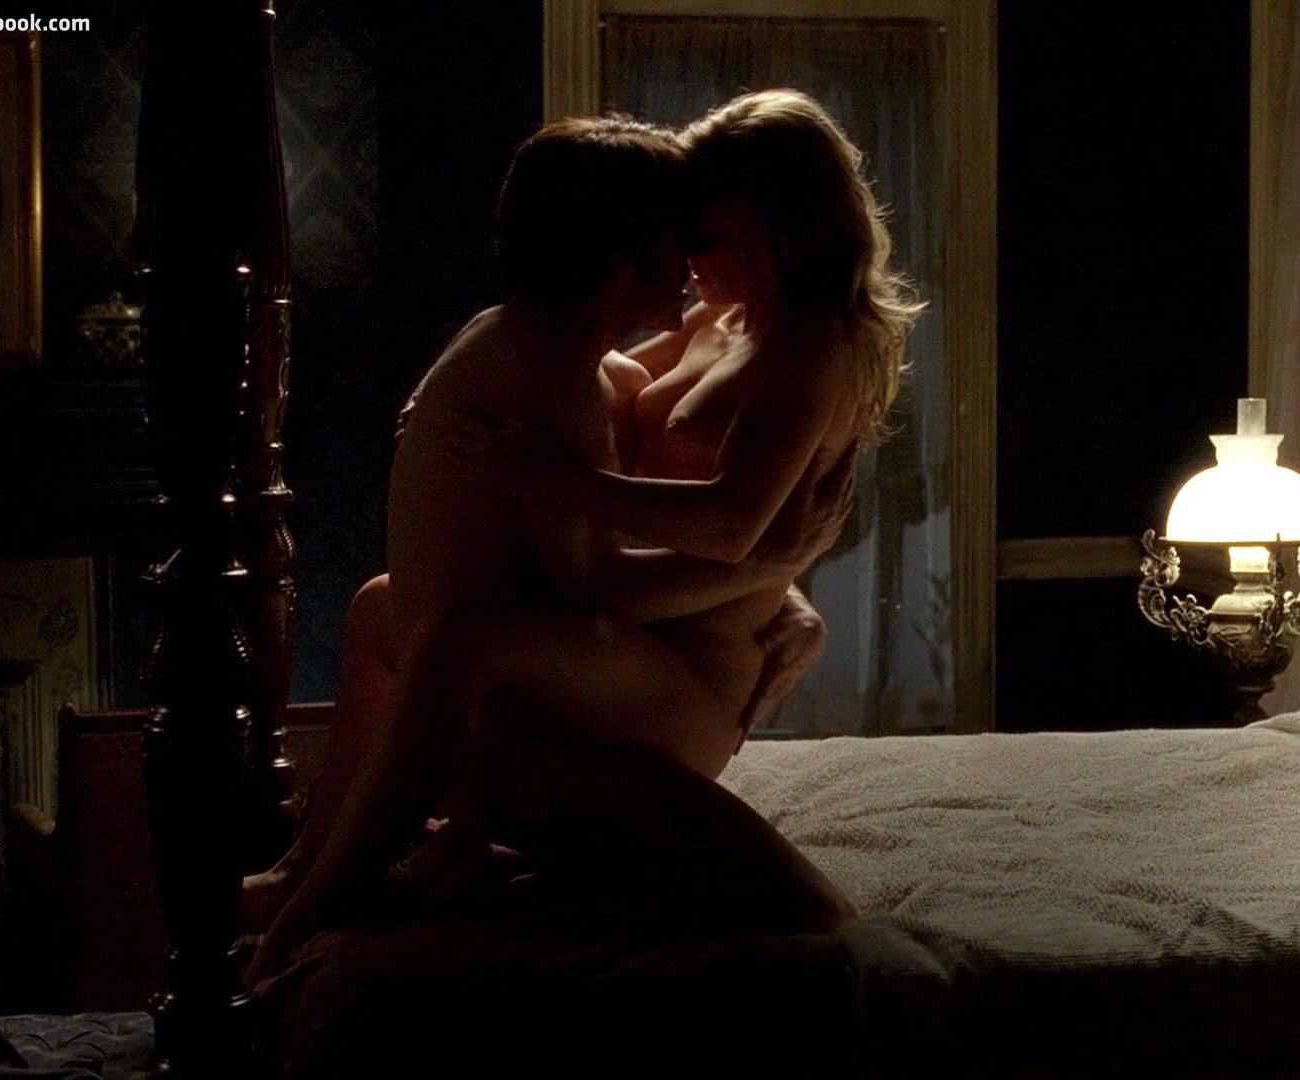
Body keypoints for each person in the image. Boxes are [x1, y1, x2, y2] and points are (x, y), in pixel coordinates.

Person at [244, 114, 856, 983]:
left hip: (681, 683)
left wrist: (774, 577)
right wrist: (472, 392)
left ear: (779, 227)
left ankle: (332, 893)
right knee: (387, 607)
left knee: (458, 642)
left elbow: (710, 527)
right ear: (619, 258)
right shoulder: (693, 328)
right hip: (632, 657)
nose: (690, 259)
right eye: (679, 239)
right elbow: (613, 385)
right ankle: (324, 870)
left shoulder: (801, 347)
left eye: (707, 233)